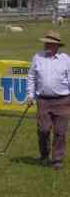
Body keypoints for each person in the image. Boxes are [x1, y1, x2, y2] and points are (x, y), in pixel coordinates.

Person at [27, 30, 70, 169]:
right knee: (43, 130)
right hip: (43, 101)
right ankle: (44, 155)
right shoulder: (37, 57)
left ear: (57, 45)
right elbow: (31, 77)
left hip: (63, 100)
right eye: (46, 43)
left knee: (60, 132)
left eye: (51, 43)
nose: (48, 45)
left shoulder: (66, 59)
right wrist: (30, 96)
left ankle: (57, 160)